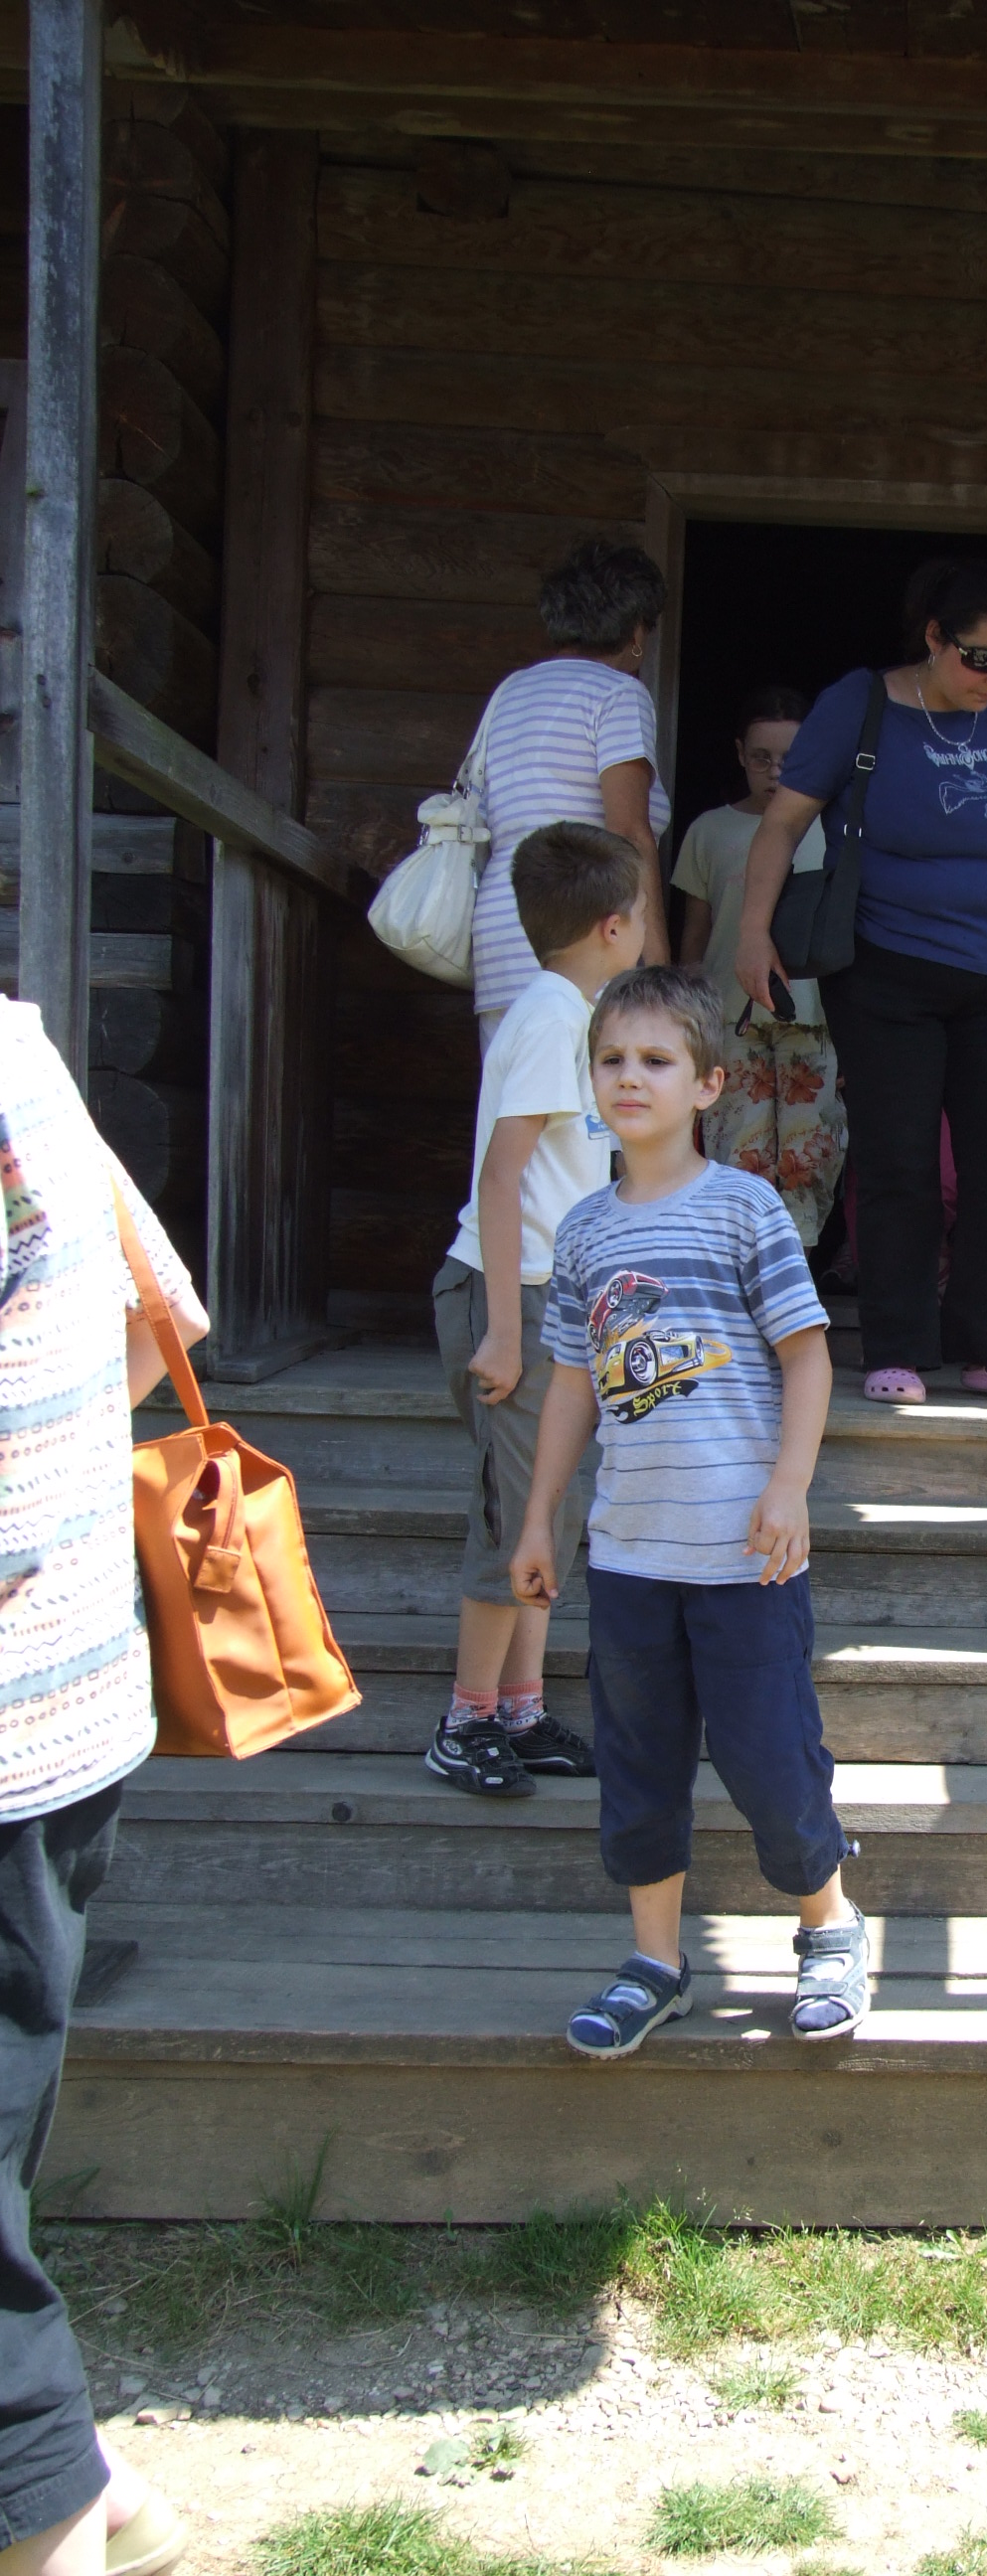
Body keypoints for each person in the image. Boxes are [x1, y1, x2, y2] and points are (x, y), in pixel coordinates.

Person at [509, 966, 869, 2048]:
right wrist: (540, 1517)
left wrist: (790, 1485)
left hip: (744, 1559)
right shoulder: (582, 1233)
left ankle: (829, 1924)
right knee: (639, 1767)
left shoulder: (745, 1209)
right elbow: (571, 1385)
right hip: (628, 1557)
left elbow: (808, 1357)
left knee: (770, 1760)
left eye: (657, 1060)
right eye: (612, 1060)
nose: (631, 1077)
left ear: (709, 1084)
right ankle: (656, 1962)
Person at [0, 997, 205, 2576]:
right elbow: (162, 1316)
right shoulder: (20, 1048)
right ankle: (75, 2474)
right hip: (64, 1689)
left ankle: (49, 2498)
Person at [734, 557, 987, 1407]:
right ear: (934, 636)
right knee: (899, 1160)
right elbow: (782, 824)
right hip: (887, 970)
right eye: (978, 658)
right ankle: (896, 1347)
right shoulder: (859, 702)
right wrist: (751, 932)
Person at [425, 823, 650, 1800]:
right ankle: (465, 1721)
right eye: (640, 913)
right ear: (613, 926)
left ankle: (520, 1710)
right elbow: (502, 1175)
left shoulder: (576, 1014)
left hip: (559, 1300)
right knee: (516, 1513)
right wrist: (507, 1334)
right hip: (510, 1295)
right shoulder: (553, 1019)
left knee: (549, 1513)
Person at [469, 537, 673, 1051]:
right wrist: (660, 969)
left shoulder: (510, 693)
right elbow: (628, 832)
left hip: (504, 930)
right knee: (594, 1099)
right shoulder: (618, 694)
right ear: (637, 631)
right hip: (586, 934)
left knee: (516, 1096)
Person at [673, 685, 848, 1248]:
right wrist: (687, 1024)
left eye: (790, 760)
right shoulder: (709, 830)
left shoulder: (831, 827)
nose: (775, 772)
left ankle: (795, 1277)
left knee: (809, 1159)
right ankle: (740, 1276)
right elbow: (695, 938)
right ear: (739, 755)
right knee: (737, 1156)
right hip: (730, 1020)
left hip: (815, 1019)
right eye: (761, 758)